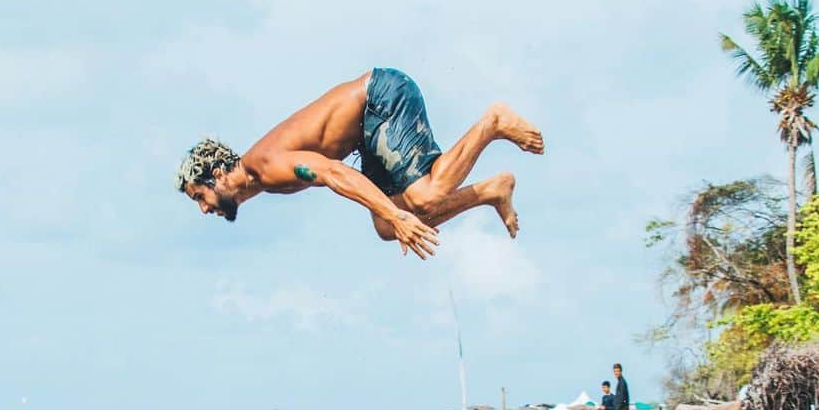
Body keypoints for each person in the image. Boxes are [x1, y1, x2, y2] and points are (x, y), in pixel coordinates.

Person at [175, 68, 545, 260]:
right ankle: (492, 190)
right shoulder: (262, 176)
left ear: (218, 173)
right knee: (386, 226)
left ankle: (492, 122)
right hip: (365, 137)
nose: (204, 208)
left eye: (200, 196)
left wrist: (401, 212)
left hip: (380, 100)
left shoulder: (264, 167)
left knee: (424, 200)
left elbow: (335, 172)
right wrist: (394, 215)